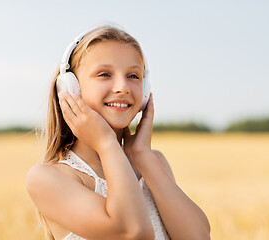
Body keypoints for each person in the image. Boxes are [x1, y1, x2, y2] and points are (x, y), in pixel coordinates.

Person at [26, 25, 211, 240]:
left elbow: (199, 237)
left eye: (133, 76)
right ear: (70, 88)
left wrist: (143, 156)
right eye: (104, 74)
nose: (122, 87)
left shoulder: (153, 163)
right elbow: (132, 232)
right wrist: (106, 143)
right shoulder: (48, 178)